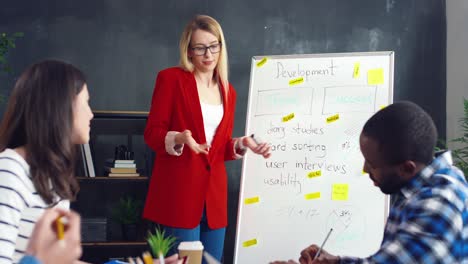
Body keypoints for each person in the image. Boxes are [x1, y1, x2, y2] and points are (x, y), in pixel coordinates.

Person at [143, 14, 271, 262]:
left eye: (214, 46)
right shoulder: (171, 79)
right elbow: (152, 134)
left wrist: (243, 144)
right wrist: (179, 138)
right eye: (200, 48)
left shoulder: (228, 91)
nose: (208, 55)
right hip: (179, 196)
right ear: (188, 51)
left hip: (214, 199)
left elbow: (218, 149)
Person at [273, 101, 468, 264]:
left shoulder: (439, 204)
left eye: (373, 165)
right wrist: (337, 262)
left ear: (406, 168)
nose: (365, 169)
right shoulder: (423, 183)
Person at [0, 60, 94, 263]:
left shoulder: (53, 180)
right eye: (86, 102)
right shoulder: (9, 170)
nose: (91, 114)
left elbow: (60, 261)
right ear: (62, 106)